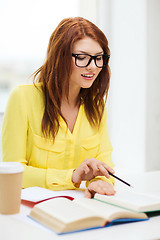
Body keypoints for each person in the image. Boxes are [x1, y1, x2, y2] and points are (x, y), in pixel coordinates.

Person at [2, 17, 115, 198]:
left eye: (99, 58)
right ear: (59, 56)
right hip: (33, 211)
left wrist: (99, 182)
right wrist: (70, 177)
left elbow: (105, 164)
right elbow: (13, 172)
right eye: (82, 57)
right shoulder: (23, 98)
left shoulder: (96, 106)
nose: (93, 66)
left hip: (81, 207)